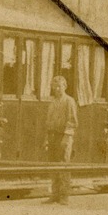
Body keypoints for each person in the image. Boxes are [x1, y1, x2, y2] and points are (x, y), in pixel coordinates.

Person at [43, 74, 78, 204]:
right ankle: (55, 193)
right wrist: (46, 138)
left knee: (63, 165)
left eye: (59, 86)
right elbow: (48, 122)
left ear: (65, 87)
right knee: (53, 165)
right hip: (52, 136)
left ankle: (64, 196)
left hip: (63, 136)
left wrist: (66, 138)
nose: (56, 89)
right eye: (54, 86)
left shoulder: (69, 101)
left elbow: (72, 121)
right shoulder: (52, 102)